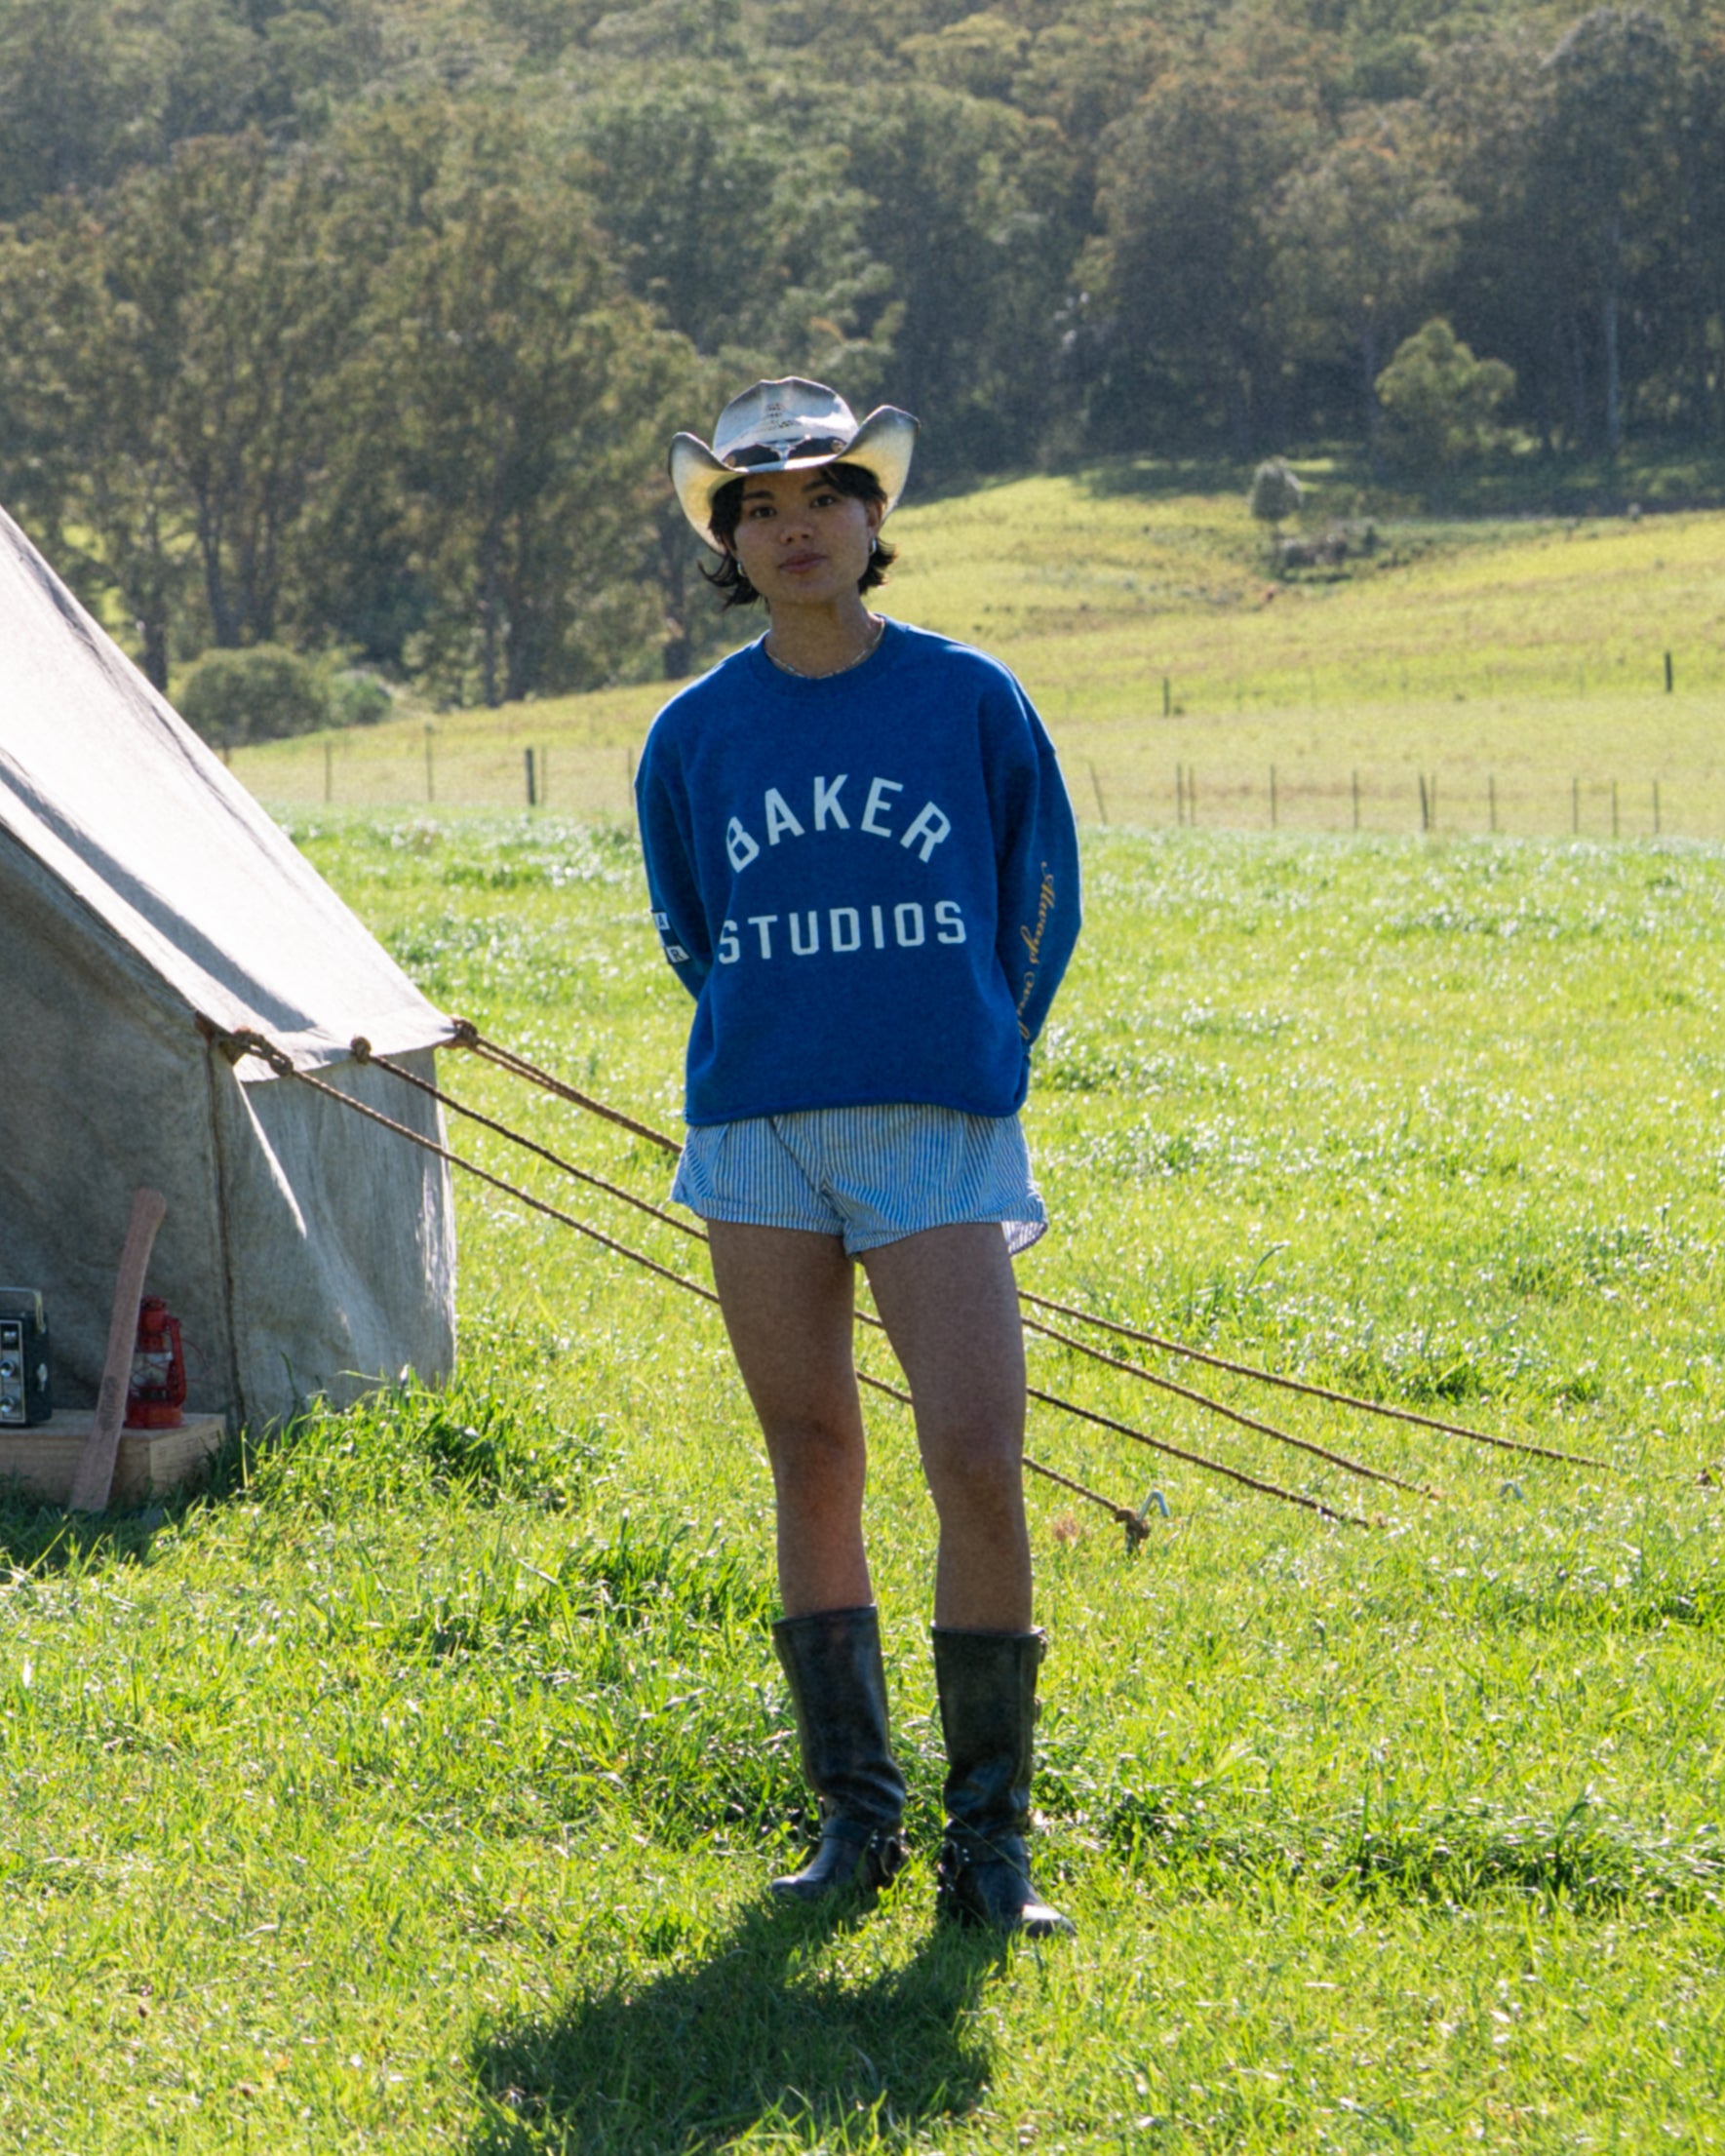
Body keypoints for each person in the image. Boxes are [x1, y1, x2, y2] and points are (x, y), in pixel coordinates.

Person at [635, 378, 1081, 1938]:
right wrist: (795, 1036)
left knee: (972, 1454)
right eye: (756, 506)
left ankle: (991, 1845)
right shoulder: (693, 731)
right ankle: (857, 1823)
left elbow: (1044, 898)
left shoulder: (965, 699)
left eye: (823, 495)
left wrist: (967, 1047)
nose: (793, 524)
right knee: (812, 1450)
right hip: (756, 1128)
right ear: (727, 541)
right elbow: (691, 927)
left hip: (933, 1122)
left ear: (874, 518)